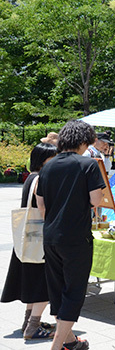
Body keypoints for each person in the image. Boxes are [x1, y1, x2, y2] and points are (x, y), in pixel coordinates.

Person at [36, 120, 105, 350]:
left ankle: (70, 342)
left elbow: (42, 206)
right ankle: (57, 346)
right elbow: (96, 201)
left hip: (51, 236)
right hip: (76, 237)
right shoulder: (88, 164)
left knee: (57, 289)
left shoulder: (47, 166)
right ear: (83, 141)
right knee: (74, 291)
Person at [1, 143, 58, 340]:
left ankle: (28, 321)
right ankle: (33, 327)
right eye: (54, 158)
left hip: (29, 240)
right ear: (45, 161)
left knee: (34, 280)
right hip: (41, 240)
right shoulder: (42, 179)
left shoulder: (30, 178)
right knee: (44, 282)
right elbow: (43, 208)